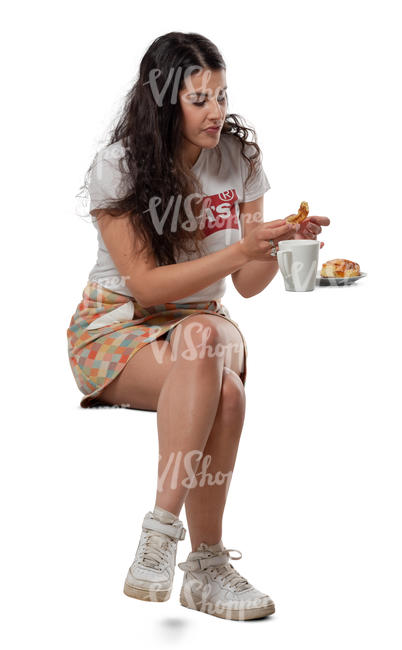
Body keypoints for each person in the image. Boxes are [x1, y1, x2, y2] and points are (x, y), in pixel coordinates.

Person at [67, 31, 330, 621]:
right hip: (116, 327)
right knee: (226, 390)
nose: (217, 112)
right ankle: (195, 555)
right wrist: (242, 251)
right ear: (164, 101)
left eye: (222, 95)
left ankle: (173, 548)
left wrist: (274, 245)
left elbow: (248, 285)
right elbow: (146, 285)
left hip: (204, 325)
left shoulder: (238, 160)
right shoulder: (118, 167)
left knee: (204, 337)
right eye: (200, 99)